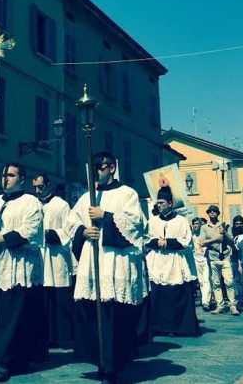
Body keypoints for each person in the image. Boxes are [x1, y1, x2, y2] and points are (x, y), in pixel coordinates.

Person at [66, 151, 148, 384]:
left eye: (100, 167)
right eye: (92, 168)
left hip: (116, 264)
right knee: (93, 315)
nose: (96, 172)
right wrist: (83, 231)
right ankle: (101, 361)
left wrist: (107, 216)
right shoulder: (85, 198)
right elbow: (71, 223)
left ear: (112, 168)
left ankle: (113, 364)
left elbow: (135, 226)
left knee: (115, 318)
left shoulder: (127, 194)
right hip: (93, 266)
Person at [0, 163, 46, 381]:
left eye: (10, 175)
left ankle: (5, 361)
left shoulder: (31, 202)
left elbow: (31, 230)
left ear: (22, 179)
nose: (5, 179)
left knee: (12, 315)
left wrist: (4, 238)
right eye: (4, 175)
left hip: (17, 267)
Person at [146, 186, 200, 336]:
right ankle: (159, 327)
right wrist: (157, 242)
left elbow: (187, 241)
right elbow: (146, 239)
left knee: (176, 295)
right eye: (158, 203)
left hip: (175, 260)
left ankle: (178, 327)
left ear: (170, 203)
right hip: (157, 261)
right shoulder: (153, 221)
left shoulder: (181, 221)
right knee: (158, 295)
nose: (159, 205)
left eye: (162, 203)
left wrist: (168, 243)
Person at [32, 173, 75, 349]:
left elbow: (69, 230)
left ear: (48, 185)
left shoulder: (61, 205)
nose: (37, 190)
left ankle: (62, 338)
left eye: (40, 187)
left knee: (59, 300)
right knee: (41, 300)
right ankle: (44, 338)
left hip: (56, 256)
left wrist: (48, 235)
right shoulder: (32, 204)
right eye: (34, 187)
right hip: (39, 258)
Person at [199, 205, 240, 315]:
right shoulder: (204, 227)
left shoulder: (225, 225)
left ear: (218, 213)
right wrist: (215, 239)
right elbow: (201, 243)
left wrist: (225, 233)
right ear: (208, 213)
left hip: (225, 257)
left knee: (229, 281)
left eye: (214, 211)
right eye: (210, 211)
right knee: (215, 283)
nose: (212, 213)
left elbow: (232, 242)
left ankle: (232, 305)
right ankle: (220, 305)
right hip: (213, 257)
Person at [191, 217, 212, 312]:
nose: (195, 225)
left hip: (205, 259)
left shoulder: (206, 235)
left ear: (201, 225)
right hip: (196, 259)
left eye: (197, 223)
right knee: (200, 281)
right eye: (194, 224)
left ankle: (205, 302)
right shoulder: (191, 236)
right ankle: (205, 299)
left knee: (207, 280)